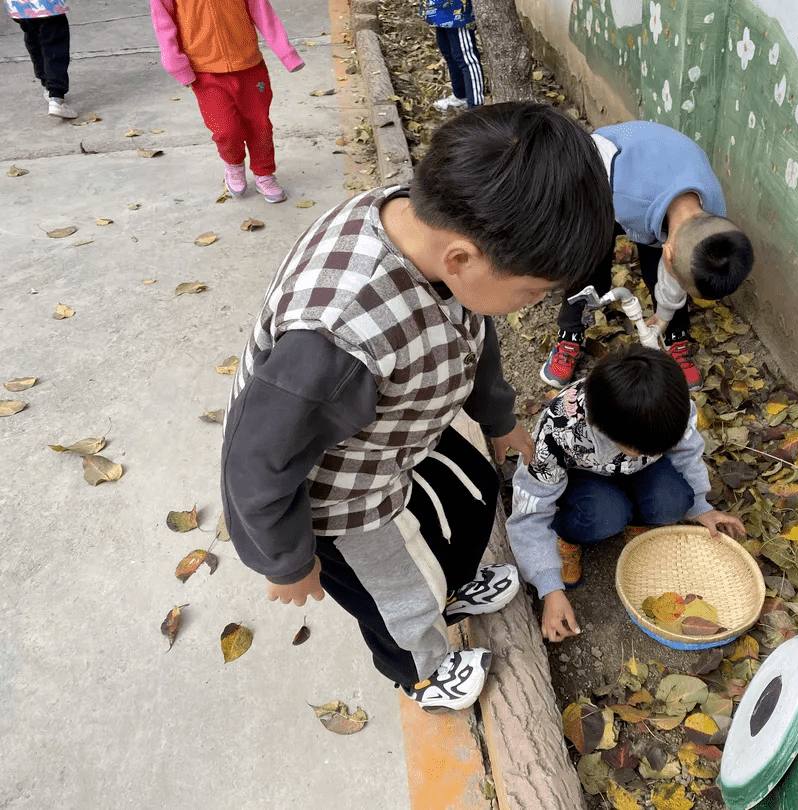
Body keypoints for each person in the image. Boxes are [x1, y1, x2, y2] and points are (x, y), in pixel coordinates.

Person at [220, 103, 614, 712]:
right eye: (533, 291)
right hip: (337, 491)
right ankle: (424, 670)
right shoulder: (336, 339)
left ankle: (448, 587)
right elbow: (256, 457)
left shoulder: (433, 231)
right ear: (462, 258)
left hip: (398, 427)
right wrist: (285, 560)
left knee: (473, 490)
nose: (534, 304)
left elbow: (475, 324)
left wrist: (500, 420)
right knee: (393, 595)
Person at [508, 344, 746, 643]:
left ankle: (636, 516)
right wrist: (549, 588)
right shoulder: (560, 432)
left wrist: (701, 506)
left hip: (638, 468)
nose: (655, 451)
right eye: (642, 449)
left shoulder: (669, 405)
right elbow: (530, 511)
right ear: (597, 425)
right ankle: (568, 535)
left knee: (674, 501)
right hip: (584, 479)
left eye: (659, 447)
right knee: (604, 514)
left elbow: (687, 452)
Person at [541, 120, 755, 391]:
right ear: (668, 250)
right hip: (600, 183)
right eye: (681, 283)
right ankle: (569, 335)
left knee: (659, 273)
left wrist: (664, 315)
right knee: (590, 265)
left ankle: (676, 337)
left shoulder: (713, 216)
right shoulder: (625, 196)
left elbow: (674, 267)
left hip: (656, 189)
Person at [150, 0, 304, 203]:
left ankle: (264, 174)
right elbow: (164, 25)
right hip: (205, 73)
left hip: (249, 66)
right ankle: (233, 164)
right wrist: (177, 66)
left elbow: (263, 12)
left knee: (260, 125)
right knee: (225, 130)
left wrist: (286, 54)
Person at [6, 0, 77, 119]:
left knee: (34, 38)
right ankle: (56, 95)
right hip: (48, 5)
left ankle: (46, 83)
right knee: (55, 44)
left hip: (19, 6)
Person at [421, 0, 484, 111]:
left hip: (456, 11)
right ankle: (461, 96)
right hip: (437, 8)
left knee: (466, 58)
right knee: (449, 53)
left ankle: (476, 108)